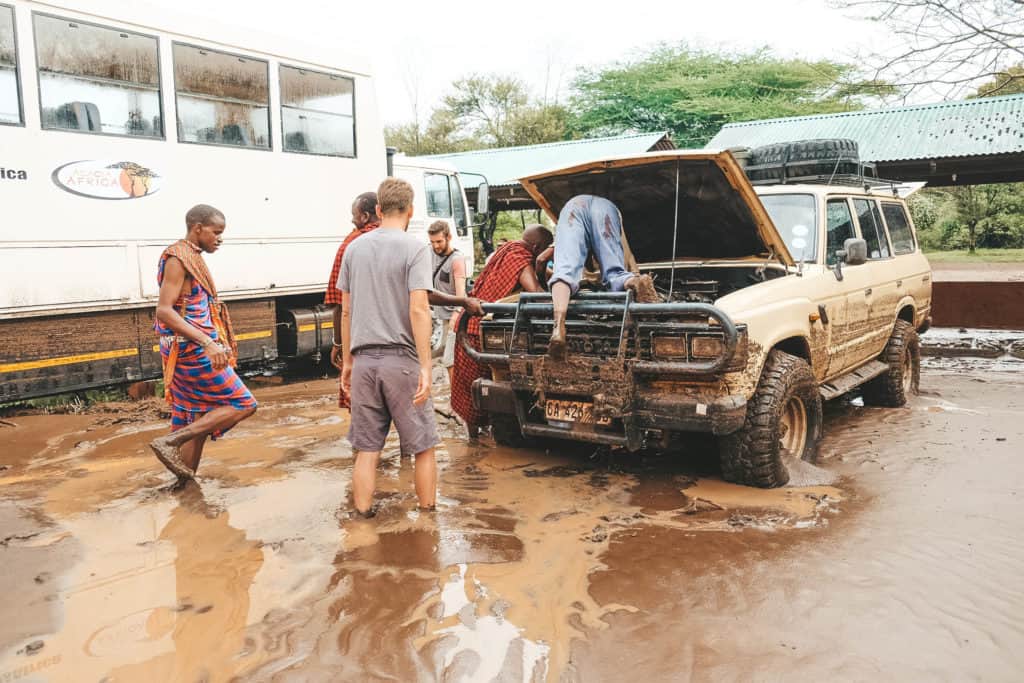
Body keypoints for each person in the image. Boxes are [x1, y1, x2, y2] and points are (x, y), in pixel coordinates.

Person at [338, 178, 439, 517]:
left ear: (378, 210)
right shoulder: (416, 248)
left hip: (364, 361)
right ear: (410, 210)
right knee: (424, 447)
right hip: (402, 362)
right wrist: (426, 366)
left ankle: (362, 522)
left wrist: (349, 363)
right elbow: (419, 309)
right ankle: (428, 519)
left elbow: (347, 311)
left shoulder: (354, 248)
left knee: (367, 449)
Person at [149, 204, 258, 481]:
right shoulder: (178, 258)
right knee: (244, 403)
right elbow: (164, 310)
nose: (219, 238)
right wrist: (208, 343)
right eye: (216, 232)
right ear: (197, 228)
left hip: (189, 345)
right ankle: (170, 442)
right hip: (191, 348)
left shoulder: (190, 256)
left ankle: (184, 486)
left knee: (196, 415)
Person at [450, 224, 553, 433]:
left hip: (468, 322)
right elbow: (536, 292)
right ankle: (482, 435)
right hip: (481, 327)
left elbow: (546, 273)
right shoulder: (520, 258)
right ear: (536, 247)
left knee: (468, 386)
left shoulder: (508, 250)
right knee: (483, 383)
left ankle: (473, 439)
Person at [545, 195, 660, 360]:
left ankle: (558, 328)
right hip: (606, 207)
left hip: (573, 205)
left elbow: (544, 259)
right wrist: (635, 275)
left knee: (564, 272)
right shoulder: (611, 210)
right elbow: (625, 256)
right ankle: (634, 282)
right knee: (616, 274)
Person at [326, 192, 380, 409]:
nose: (352, 220)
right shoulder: (403, 241)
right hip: (396, 345)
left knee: (361, 406)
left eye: (354, 215)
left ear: (366, 216)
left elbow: (341, 304)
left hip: (359, 339)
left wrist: (339, 344)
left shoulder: (352, 244)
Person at [427, 220, 467, 386]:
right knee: (434, 356)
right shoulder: (429, 253)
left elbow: (461, 294)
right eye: (432, 242)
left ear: (449, 237)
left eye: (439, 242)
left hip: (453, 318)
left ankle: (455, 403)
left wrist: (456, 316)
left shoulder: (457, 260)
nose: (436, 246)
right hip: (438, 317)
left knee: (450, 360)